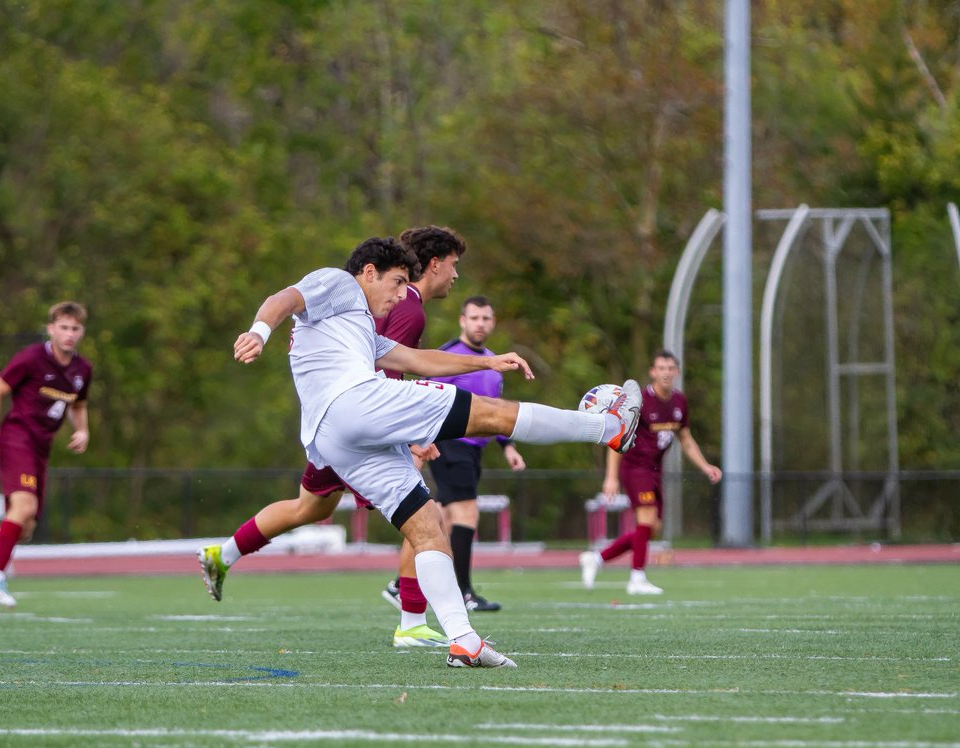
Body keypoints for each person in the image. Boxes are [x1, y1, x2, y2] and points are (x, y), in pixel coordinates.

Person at [230, 236, 641, 668]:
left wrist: (486, 362)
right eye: (396, 282)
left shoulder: (356, 329)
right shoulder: (338, 282)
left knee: (427, 527)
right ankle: (610, 427)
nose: (400, 293)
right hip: (354, 403)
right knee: (494, 414)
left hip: (334, 439)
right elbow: (284, 298)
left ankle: (463, 640)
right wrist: (258, 333)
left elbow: (418, 360)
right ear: (369, 272)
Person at [200, 225, 464, 649]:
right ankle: (412, 621)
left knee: (309, 506)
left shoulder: (367, 301)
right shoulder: (399, 304)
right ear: (433, 264)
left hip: (332, 425)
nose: (455, 277)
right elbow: (389, 367)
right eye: (454, 267)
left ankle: (223, 554)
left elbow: (388, 355)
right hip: (364, 425)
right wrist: (410, 431)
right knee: (423, 514)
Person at [0, 302, 92, 615]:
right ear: (51, 329)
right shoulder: (32, 358)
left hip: (41, 449)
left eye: (75, 328)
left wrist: (83, 430)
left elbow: (78, 405)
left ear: (81, 332)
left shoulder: (82, 370)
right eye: (63, 327)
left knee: (24, 526)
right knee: (24, 507)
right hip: (16, 438)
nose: (69, 334)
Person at [581, 349, 721, 595]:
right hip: (635, 467)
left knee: (650, 529)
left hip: (656, 471)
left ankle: (597, 559)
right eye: (661, 368)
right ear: (652, 372)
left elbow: (685, 439)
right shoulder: (640, 400)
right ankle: (637, 578)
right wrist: (611, 477)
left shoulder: (679, 402)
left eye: (671, 368)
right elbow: (618, 436)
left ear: (676, 372)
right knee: (645, 521)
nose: (666, 373)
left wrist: (705, 465)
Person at [426, 296, 525, 612]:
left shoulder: (494, 364)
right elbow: (424, 400)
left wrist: (507, 446)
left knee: (437, 519)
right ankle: (464, 592)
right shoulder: (447, 357)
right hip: (449, 444)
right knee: (467, 514)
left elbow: (493, 414)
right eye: (474, 318)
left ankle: (404, 583)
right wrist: (421, 441)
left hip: (474, 451)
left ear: (493, 322)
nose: (480, 323)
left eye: (486, 318)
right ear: (462, 320)